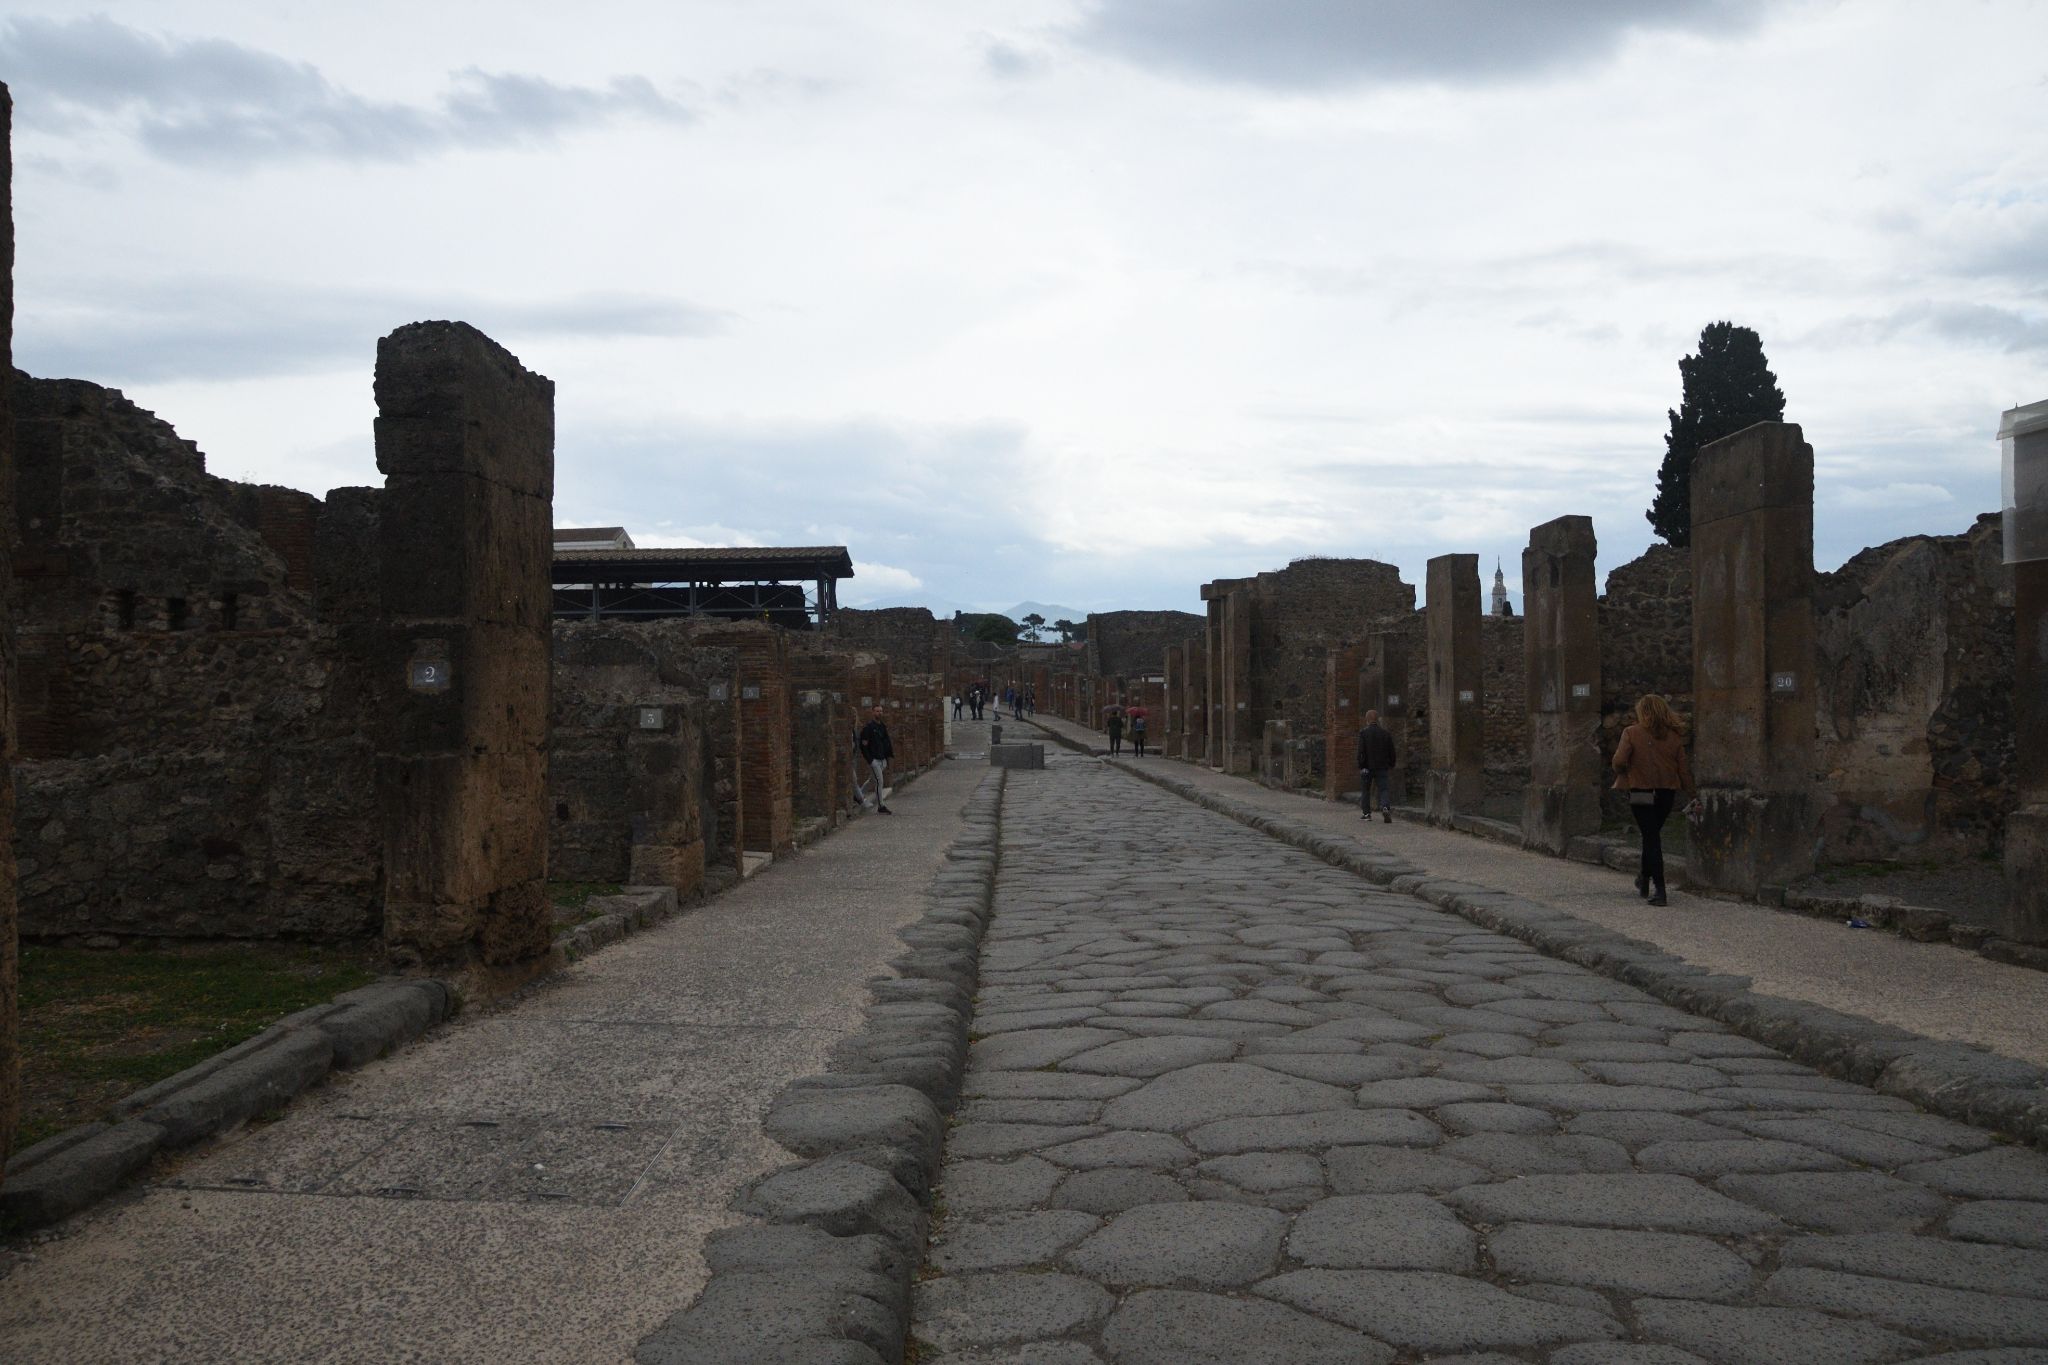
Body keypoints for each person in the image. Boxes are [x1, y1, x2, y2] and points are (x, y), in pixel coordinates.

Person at [1612, 694, 1693, 905]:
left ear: (1643, 712)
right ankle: (1644, 878)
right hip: (1666, 793)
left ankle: (1659, 889)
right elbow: (1684, 770)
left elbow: (1619, 761)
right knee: (1651, 836)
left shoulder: (1631, 732)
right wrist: (1692, 794)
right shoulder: (1674, 737)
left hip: (1641, 791)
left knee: (1651, 838)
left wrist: (1627, 771)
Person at [1355, 709, 1396, 823]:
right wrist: (1391, 764)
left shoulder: (1363, 733)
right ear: (1377, 719)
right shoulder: (1385, 733)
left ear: (1367, 720)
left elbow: (1361, 751)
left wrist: (1361, 765)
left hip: (1367, 767)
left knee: (1365, 790)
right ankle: (1385, 807)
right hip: (1382, 767)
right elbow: (1391, 751)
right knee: (1383, 789)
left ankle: (1367, 814)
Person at [857, 705, 896, 815]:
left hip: (882, 759)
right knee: (879, 781)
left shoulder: (882, 726)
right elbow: (863, 746)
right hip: (874, 760)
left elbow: (886, 742)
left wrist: (888, 756)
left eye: (881, 711)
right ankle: (881, 806)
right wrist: (870, 760)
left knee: (872, 779)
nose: (880, 713)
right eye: (877, 711)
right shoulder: (868, 728)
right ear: (873, 712)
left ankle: (858, 794)